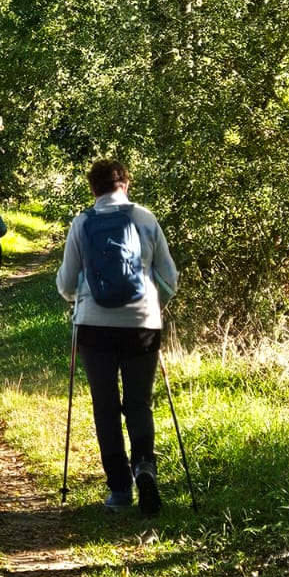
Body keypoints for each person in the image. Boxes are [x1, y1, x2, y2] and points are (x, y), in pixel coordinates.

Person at [56, 158, 178, 516]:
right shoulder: (145, 219)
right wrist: (155, 305)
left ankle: (120, 489)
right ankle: (145, 467)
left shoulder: (82, 223)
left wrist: (80, 300)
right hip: (142, 325)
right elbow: (169, 278)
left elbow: (66, 284)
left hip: (94, 327)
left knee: (105, 406)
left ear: (93, 189)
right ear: (125, 184)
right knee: (139, 404)